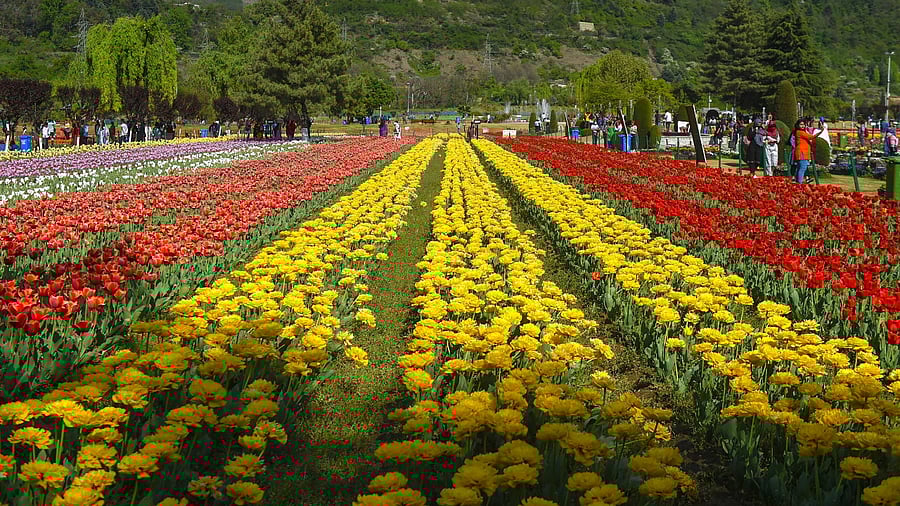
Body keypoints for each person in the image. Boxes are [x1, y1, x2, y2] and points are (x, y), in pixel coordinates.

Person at [791, 118, 825, 183]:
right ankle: (799, 183)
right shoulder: (800, 132)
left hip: (803, 152)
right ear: (797, 125)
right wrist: (821, 131)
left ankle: (798, 182)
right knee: (802, 168)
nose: (803, 126)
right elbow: (811, 137)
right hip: (802, 153)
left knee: (800, 168)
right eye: (801, 124)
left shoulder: (801, 132)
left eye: (804, 124)